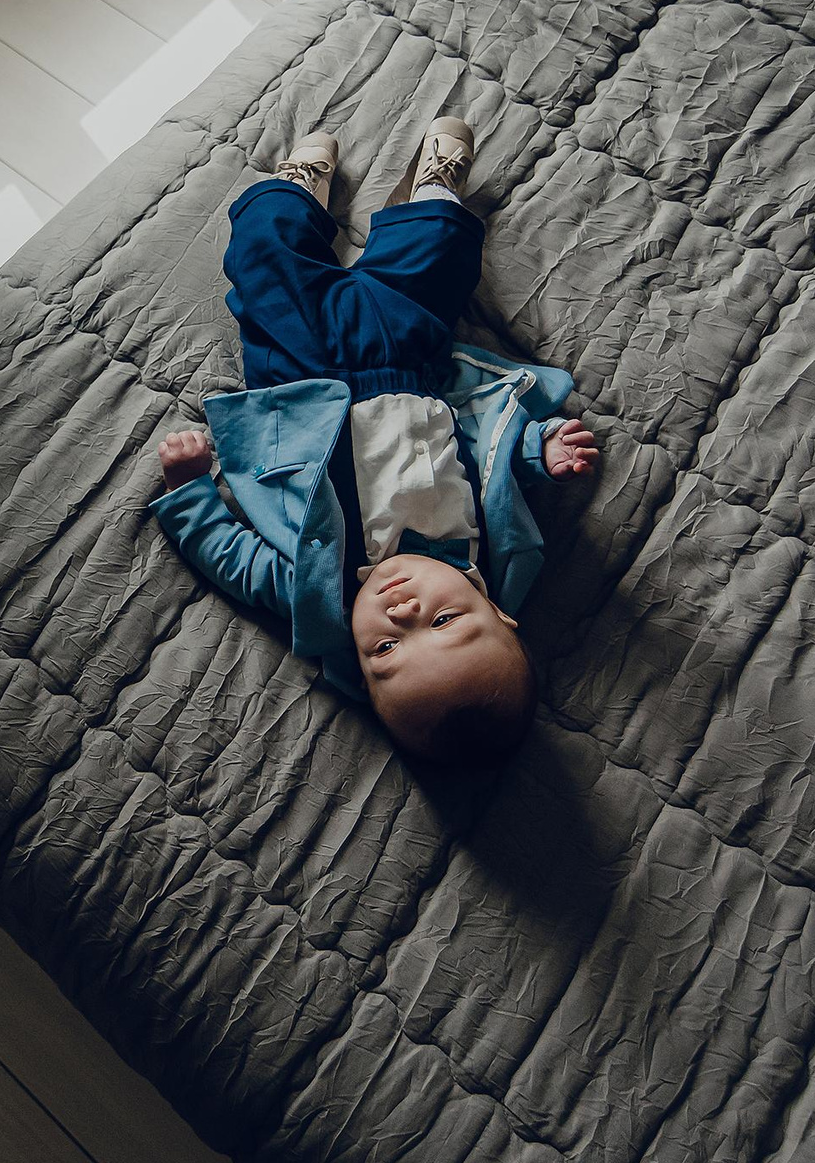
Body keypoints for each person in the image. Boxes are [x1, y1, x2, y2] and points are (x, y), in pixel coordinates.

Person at [149, 121, 601, 764]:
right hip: (410, 363)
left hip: (298, 378)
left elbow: (232, 558)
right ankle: (435, 190)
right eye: (443, 622)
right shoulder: (492, 547)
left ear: (359, 669)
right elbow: (484, 453)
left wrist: (190, 488)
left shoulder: (319, 593)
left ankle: (297, 187)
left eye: (385, 650)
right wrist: (541, 453)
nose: (402, 611)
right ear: (500, 615)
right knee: (438, 265)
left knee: (264, 263)